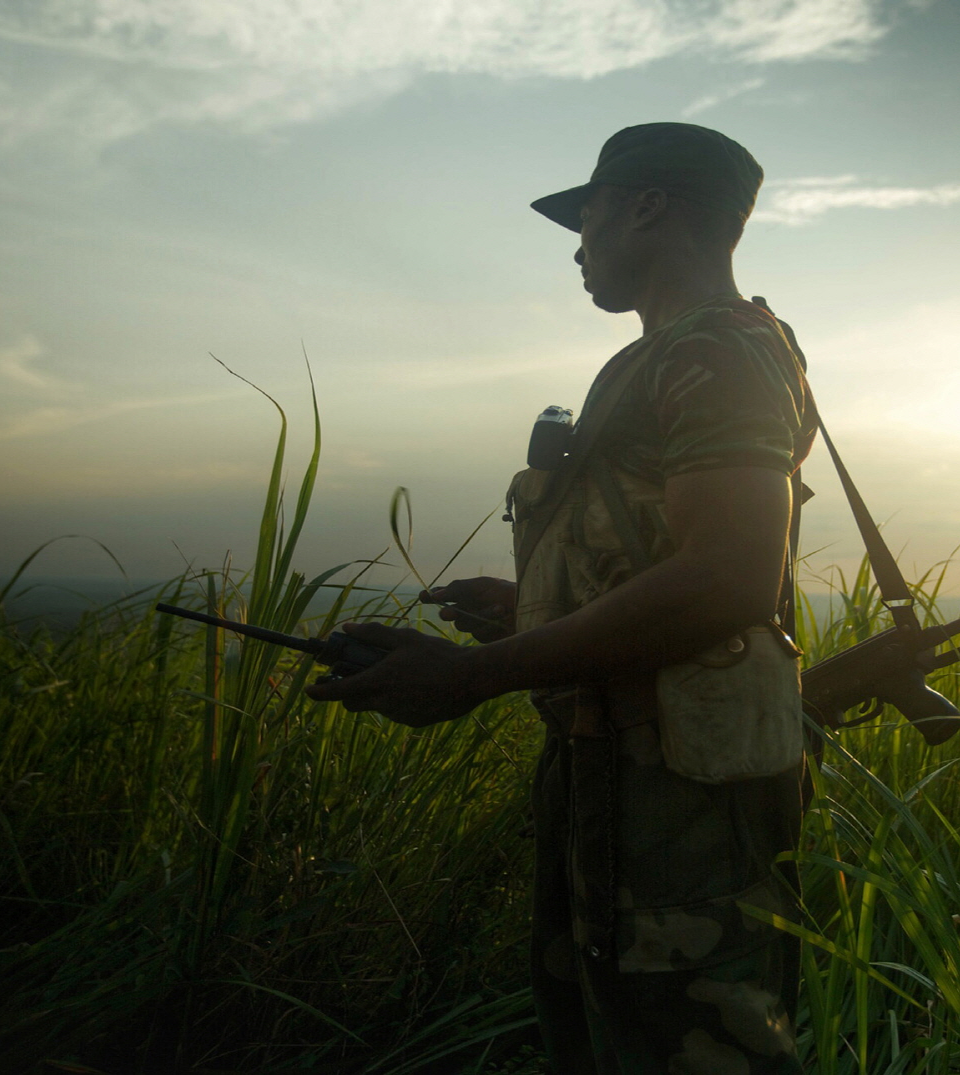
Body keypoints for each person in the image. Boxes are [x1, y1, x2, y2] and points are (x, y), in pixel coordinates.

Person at [306, 122, 817, 1074]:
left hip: (682, 797)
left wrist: (473, 676)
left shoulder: (723, 352)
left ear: (648, 206)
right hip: (616, 774)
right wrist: (535, 607)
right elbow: (660, 557)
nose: (578, 248)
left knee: (694, 1046)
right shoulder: (661, 356)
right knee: (604, 1034)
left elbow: (729, 574)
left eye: (585, 219)